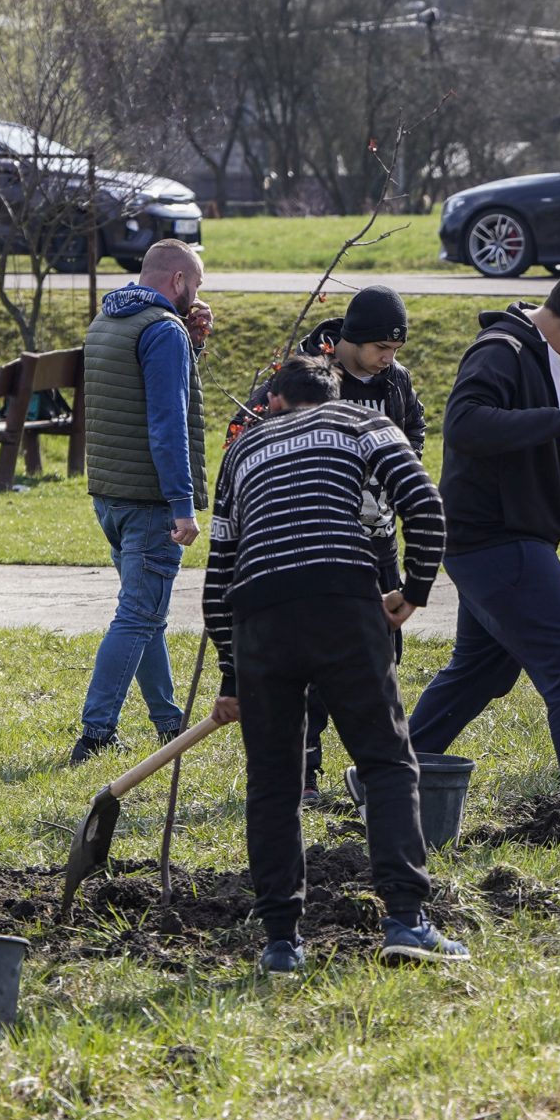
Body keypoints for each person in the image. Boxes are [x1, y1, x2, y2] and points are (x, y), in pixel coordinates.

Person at [202, 355, 457, 971]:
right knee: (386, 761)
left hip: (259, 616)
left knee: (273, 782)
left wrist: (233, 675)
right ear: (334, 394)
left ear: (275, 402)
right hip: (342, 600)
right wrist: (413, 591)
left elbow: (218, 577)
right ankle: (406, 920)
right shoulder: (362, 423)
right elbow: (425, 508)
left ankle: (280, 943)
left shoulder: (241, 450)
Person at [405, 258, 560, 846]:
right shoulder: (501, 351)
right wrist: (556, 420)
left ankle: (388, 772)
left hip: (524, 536)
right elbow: (465, 425)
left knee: (480, 671)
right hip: (491, 539)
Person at [230, 284, 427, 805]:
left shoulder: (395, 381)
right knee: (314, 658)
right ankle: (304, 769)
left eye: (396, 349)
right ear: (351, 339)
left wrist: (396, 473)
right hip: (316, 542)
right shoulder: (307, 378)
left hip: (377, 539)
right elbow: (247, 435)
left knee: (380, 652)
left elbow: (414, 427)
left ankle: (377, 764)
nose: (388, 358)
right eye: (381, 347)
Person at [75, 239, 211, 766]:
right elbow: (167, 423)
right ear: (177, 280)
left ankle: (167, 722)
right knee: (137, 616)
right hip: (151, 499)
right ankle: (96, 733)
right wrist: (182, 504)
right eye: (195, 284)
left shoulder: (107, 320)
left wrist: (192, 347)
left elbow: (137, 397)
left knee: (147, 613)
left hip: (110, 493)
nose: (197, 294)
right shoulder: (162, 330)